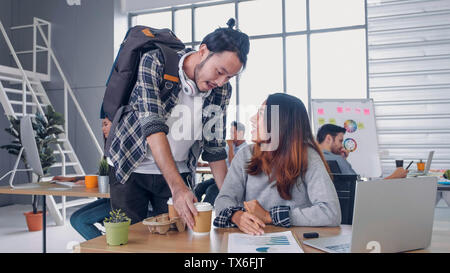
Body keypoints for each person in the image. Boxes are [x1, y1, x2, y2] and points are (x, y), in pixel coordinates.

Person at [107, 19, 250, 228]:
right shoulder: (155, 61)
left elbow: (214, 147)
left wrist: (234, 204)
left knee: (176, 242)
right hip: (130, 166)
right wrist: (178, 189)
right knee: (130, 243)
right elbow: (153, 127)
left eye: (229, 77)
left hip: (179, 169)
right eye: (219, 72)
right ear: (203, 51)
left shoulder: (221, 90)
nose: (221, 82)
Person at [213, 93, 341, 236]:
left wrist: (269, 216)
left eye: (261, 114)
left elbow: (331, 212)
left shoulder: (308, 157)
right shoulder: (245, 155)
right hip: (254, 239)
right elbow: (223, 200)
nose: (252, 119)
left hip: (297, 242)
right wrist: (236, 216)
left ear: (280, 123)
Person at [64, 117, 112, 241]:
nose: (102, 128)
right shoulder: (109, 150)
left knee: (80, 221)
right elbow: (102, 174)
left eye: (106, 124)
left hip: (123, 202)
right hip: (110, 200)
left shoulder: (126, 148)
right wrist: (72, 179)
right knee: (75, 218)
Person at [316, 124, 408, 179]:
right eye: (340, 141)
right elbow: (358, 187)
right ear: (328, 139)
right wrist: (394, 176)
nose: (341, 146)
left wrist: (343, 159)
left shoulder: (313, 157)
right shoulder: (338, 160)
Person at [194, 121, 247, 205]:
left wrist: (230, 148)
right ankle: (194, 211)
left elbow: (233, 164)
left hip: (232, 182)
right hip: (221, 177)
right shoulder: (230, 146)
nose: (231, 135)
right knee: (199, 187)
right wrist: (205, 164)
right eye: (230, 132)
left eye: (233, 132)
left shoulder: (245, 149)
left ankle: (205, 214)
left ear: (241, 133)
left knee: (211, 190)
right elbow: (221, 161)